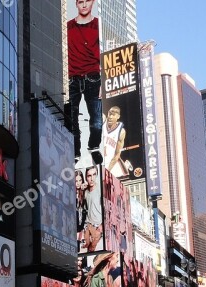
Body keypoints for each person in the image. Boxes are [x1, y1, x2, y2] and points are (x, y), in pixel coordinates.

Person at [67, 0, 101, 159]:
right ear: (76, 4)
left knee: (96, 118)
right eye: (81, 2)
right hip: (72, 79)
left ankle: (93, 146)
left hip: (93, 77)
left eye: (87, 1)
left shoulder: (98, 25)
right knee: (72, 117)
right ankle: (75, 152)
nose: (84, 5)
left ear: (93, 2)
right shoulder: (67, 26)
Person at [100, 106, 128, 177]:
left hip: (110, 166)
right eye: (109, 114)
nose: (110, 117)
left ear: (118, 116)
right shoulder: (103, 120)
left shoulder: (121, 131)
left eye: (113, 115)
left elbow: (117, 155)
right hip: (99, 160)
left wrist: (107, 171)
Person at [82, 166, 102, 252]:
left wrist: (101, 227)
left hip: (97, 225)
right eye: (89, 176)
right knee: (86, 249)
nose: (92, 178)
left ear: (97, 175)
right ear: (86, 177)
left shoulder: (100, 190)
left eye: (94, 175)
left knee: (92, 249)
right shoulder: (85, 191)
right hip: (87, 224)